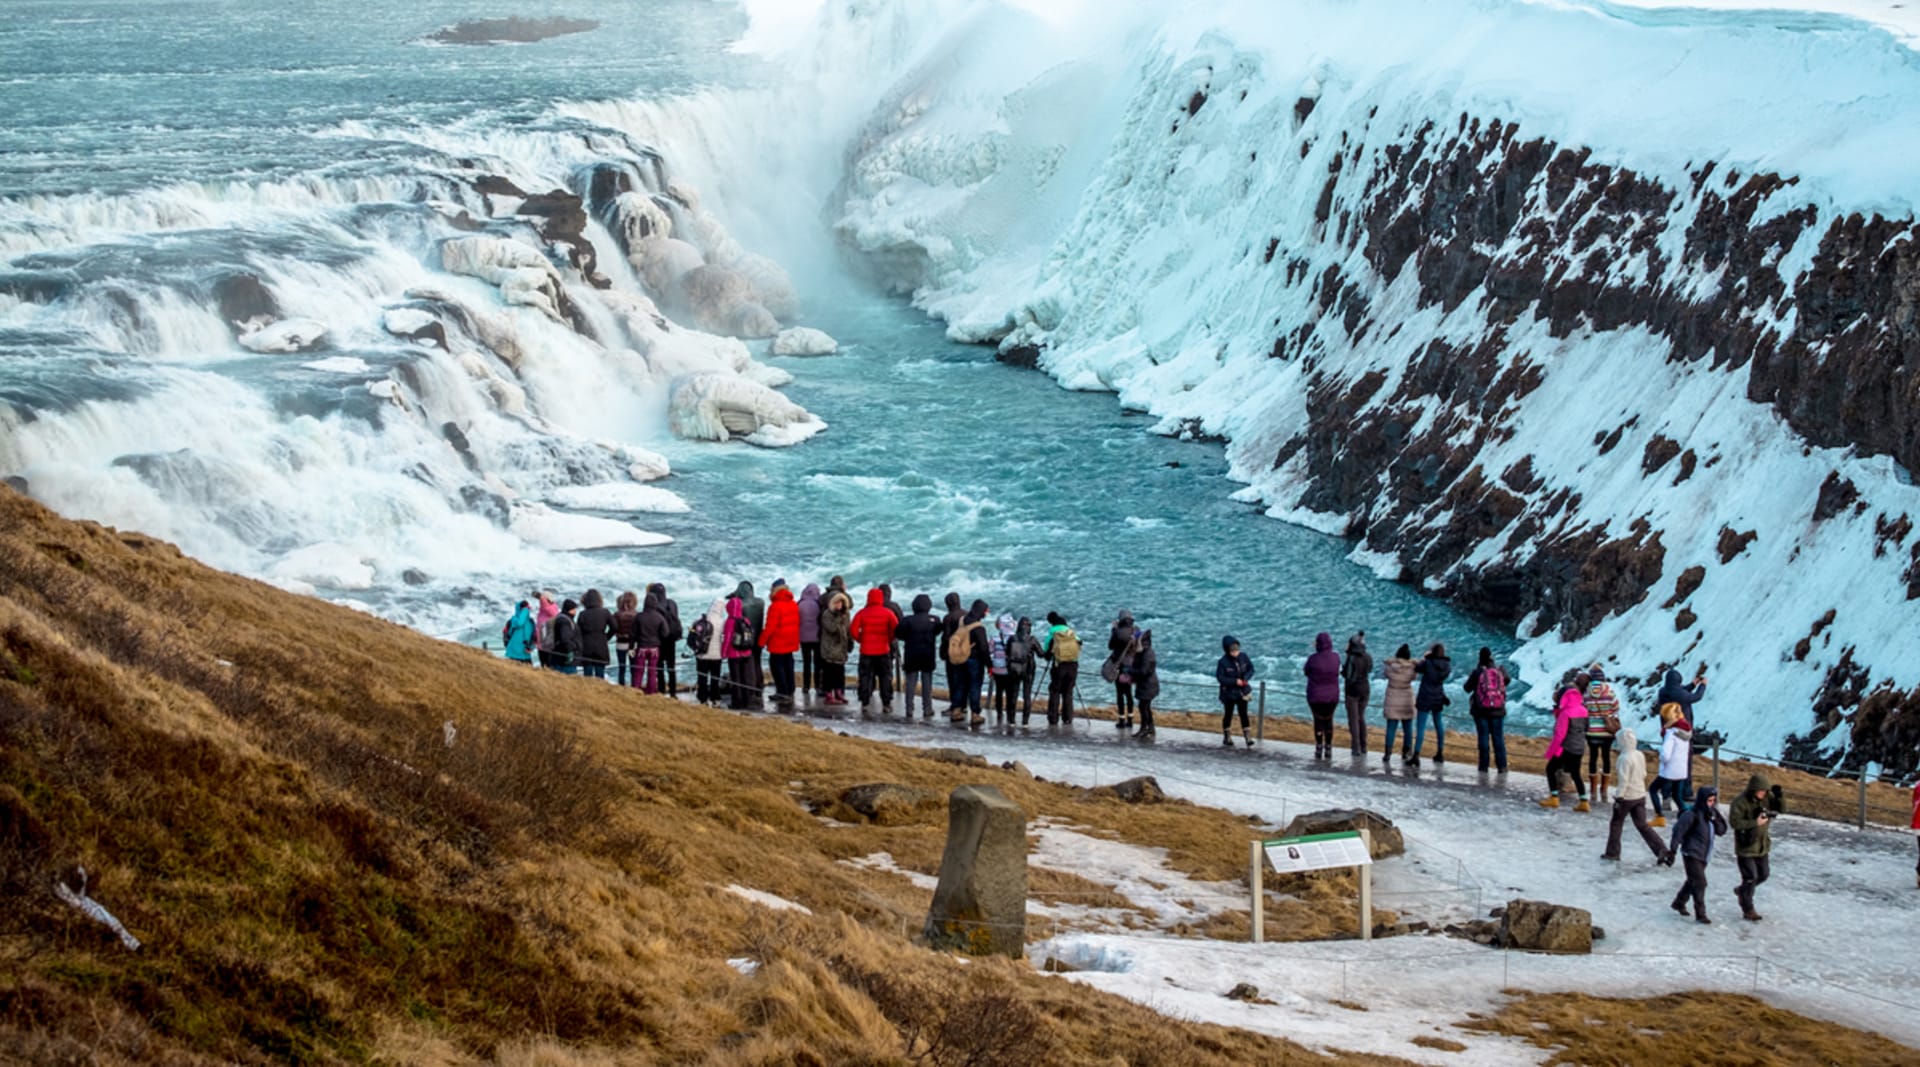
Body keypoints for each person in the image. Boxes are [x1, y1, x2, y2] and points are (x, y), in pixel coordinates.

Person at [1602, 728, 1670, 863]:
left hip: (1626, 797)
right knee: (1642, 825)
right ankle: (1661, 850)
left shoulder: (1624, 758)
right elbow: (1644, 774)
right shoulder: (1639, 754)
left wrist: (1618, 797)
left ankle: (1612, 852)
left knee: (1616, 823)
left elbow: (1624, 780)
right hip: (1640, 795)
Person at [1729, 774, 1786, 921]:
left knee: (1763, 874)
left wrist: (1780, 797)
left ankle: (1742, 891)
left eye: (1765, 791)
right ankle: (1748, 908)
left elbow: (1782, 809)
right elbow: (1735, 823)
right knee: (1750, 877)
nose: (1763, 794)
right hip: (1746, 846)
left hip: (1762, 845)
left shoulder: (1767, 798)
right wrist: (1755, 823)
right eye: (1760, 791)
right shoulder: (1740, 802)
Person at [1667, 786, 1727, 924]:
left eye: (1713, 801)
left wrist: (1715, 819)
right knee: (1700, 883)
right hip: (1691, 853)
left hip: (1704, 854)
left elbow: (1722, 830)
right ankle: (1700, 914)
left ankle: (1679, 902)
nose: (1711, 803)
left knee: (1692, 880)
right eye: (1709, 800)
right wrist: (1672, 850)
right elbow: (1678, 831)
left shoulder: (1712, 813)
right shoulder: (1691, 814)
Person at [1540, 674, 1591, 810]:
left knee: (1550, 769)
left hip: (1566, 748)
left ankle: (1554, 797)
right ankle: (1584, 801)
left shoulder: (1565, 713)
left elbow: (1559, 736)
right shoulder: (1584, 710)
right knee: (1576, 774)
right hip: (1579, 747)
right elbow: (1586, 728)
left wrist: (1551, 752)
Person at [852, 588, 898, 715]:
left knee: (865, 677)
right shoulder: (888, 613)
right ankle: (886, 703)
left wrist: (861, 639)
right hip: (883, 650)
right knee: (885, 677)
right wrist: (888, 639)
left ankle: (865, 703)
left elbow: (853, 630)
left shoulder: (862, 613)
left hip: (866, 650)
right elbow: (896, 629)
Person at [1464, 647, 1510, 774]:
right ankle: (1502, 766)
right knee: (1498, 738)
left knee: (1483, 738)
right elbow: (1507, 680)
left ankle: (1484, 766)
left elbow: (1466, 688)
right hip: (1498, 709)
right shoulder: (1499, 670)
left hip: (1481, 710)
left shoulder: (1478, 672)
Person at [1650, 705, 1694, 827]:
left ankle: (1659, 816)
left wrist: (1661, 756)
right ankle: (1687, 815)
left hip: (1669, 770)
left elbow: (1666, 754)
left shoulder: (1671, 733)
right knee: (1677, 795)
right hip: (1681, 770)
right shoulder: (1686, 733)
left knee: (1653, 789)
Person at [898, 593, 941, 719]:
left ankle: (909, 709)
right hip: (928, 654)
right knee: (927, 683)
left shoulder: (907, 620)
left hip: (911, 655)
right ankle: (927, 708)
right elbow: (938, 631)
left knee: (910, 683)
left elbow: (899, 633)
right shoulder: (935, 619)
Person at [761, 583, 801, 711]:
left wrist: (761, 642)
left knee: (777, 666)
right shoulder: (793, 604)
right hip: (790, 639)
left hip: (778, 641)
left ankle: (782, 692)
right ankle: (790, 689)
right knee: (788, 664)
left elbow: (770, 627)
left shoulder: (775, 606)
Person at [1584, 664, 1621, 802]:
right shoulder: (1610, 693)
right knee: (1606, 758)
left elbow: (1583, 709)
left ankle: (1593, 790)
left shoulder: (1586, 694)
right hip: (1606, 732)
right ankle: (1604, 789)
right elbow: (1616, 708)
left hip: (1591, 731)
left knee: (1593, 758)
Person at [1411, 643, 1452, 767]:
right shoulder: (1447, 666)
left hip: (1425, 696)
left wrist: (1425, 657)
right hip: (1438, 696)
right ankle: (1440, 752)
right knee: (1439, 725)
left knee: (1421, 727)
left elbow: (1417, 668)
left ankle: (1416, 754)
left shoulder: (1427, 663)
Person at [1304, 632, 1342, 760]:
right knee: (1329, 720)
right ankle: (1329, 747)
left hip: (1315, 696)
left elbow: (1306, 671)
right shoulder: (1336, 657)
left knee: (1318, 721)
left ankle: (1319, 746)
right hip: (1332, 696)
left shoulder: (1313, 659)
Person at [1216, 634, 1256, 748]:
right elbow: (1220, 678)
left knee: (1244, 714)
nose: (1235, 653)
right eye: (1233, 651)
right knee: (1228, 714)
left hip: (1242, 691)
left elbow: (1251, 669)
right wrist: (1234, 681)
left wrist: (1245, 679)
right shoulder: (1222, 662)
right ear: (1227, 650)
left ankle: (1248, 737)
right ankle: (1227, 736)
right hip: (1228, 693)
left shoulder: (1244, 657)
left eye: (1237, 650)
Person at [1042, 612, 1081, 726]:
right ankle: (1068, 718)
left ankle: (1053, 718)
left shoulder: (1052, 635)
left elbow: (1047, 654)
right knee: (1068, 692)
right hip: (1073, 666)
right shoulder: (1072, 634)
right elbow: (1080, 643)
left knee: (1055, 691)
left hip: (1058, 666)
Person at [1382, 645, 1416, 765]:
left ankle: (1387, 753)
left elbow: (1385, 673)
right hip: (1407, 697)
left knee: (1391, 727)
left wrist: (1391, 661)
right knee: (1408, 728)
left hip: (1392, 697)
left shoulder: (1390, 667)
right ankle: (1407, 752)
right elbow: (1414, 677)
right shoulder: (1412, 667)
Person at [735, 580, 767, 710]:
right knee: (757, 662)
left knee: (749, 665)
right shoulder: (760, 602)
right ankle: (759, 685)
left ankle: (751, 688)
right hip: (759, 635)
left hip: (746, 638)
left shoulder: (741, 605)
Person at [649, 582, 684, 697]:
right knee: (671, 667)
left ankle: (662, 692)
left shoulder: (654, 606)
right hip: (672, 639)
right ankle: (673, 693)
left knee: (659, 668)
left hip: (659, 640)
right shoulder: (672, 603)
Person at [819, 586, 852, 706]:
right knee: (829, 671)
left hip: (841, 647)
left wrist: (850, 641)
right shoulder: (827, 614)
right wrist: (838, 616)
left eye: (842, 602)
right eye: (837, 602)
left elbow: (848, 629)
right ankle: (828, 694)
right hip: (830, 647)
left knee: (839, 672)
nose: (840, 605)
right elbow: (831, 629)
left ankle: (839, 692)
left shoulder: (846, 614)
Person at [720, 596, 755, 710]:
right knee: (745, 678)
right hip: (746, 653)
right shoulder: (746, 620)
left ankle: (737, 703)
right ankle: (747, 701)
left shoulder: (730, 621)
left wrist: (723, 653)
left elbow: (728, 639)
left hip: (734, 654)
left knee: (736, 680)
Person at [1341, 631, 1373, 755]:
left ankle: (1356, 747)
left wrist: (1343, 671)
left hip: (1352, 690)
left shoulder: (1351, 658)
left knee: (1353, 720)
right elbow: (1369, 669)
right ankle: (1364, 745)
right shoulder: (1367, 656)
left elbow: (1348, 676)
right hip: (1365, 688)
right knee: (1361, 717)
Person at [634, 592, 671, 694]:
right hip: (654, 648)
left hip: (642, 647)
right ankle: (651, 691)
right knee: (652, 672)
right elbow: (666, 633)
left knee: (639, 671)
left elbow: (633, 633)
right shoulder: (659, 617)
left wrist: (632, 646)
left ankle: (636, 691)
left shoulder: (639, 616)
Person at [1005, 617, 1038, 725]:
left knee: (1013, 694)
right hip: (1028, 669)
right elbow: (1042, 653)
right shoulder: (1032, 639)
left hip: (1014, 668)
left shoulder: (1012, 638)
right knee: (1027, 695)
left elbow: (1007, 652)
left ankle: (1011, 720)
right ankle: (1025, 721)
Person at [574, 589, 614, 680]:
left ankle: (588, 693)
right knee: (600, 674)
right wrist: (606, 637)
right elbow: (614, 627)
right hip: (601, 644)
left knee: (587, 675)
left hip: (587, 645)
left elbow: (578, 631)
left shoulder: (582, 614)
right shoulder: (605, 612)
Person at [693, 596, 726, 705]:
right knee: (715, 678)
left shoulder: (701, 619)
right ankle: (715, 697)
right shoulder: (722, 622)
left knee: (702, 678)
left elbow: (694, 632)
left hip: (702, 654)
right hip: (716, 656)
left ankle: (702, 698)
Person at [1108, 610, 1137, 731]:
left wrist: (1114, 630)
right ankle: (1130, 719)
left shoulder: (1118, 632)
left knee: (1120, 693)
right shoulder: (1135, 631)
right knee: (1129, 693)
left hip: (1120, 666)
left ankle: (1121, 719)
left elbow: (1111, 646)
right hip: (1131, 666)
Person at [1657, 666, 1709, 730]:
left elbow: (1676, 690)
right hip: (1682, 728)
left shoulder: (1661, 692)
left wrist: (1692, 685)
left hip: (1667, 726)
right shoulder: (1682, 695)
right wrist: (1703, 685)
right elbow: (1697, 696)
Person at [940, 592, 966, 716]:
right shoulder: (966, 614)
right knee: (964, 679)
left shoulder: (948, 618)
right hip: (966, 651)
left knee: (953, 680)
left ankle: (955, 705)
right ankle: (964, 705)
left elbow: (946, 637)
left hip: (952, 653)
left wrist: (943, 652)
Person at [989, 613, 1017, 726]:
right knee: (1010, 692)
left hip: (997, 668)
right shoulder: (1015, 638)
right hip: (1010, 669)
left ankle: (999, 712)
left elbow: (990, 652)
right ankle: (1010, 714)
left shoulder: (994, 638)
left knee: (999, 691)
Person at [1131, 630, 1159, 739]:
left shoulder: (1147, 654)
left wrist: (1130, 671)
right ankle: (1150, 728)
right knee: (1146, 707)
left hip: (1148, 685)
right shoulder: (1145, 652)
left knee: (1143, 707)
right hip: (1147, 684)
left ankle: (1144, 729)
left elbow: (1144, 671)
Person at [797, 583, 823, 697]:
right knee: (817, 663)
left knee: (806, 663)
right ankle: (817, 686)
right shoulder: (819, 603)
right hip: (817, 637)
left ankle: (806, 686)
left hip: (803, 637)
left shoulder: (800, 604)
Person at [612, 591, 639, 686]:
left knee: (621, 668)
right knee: (633, 668)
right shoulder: (637, 614)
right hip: (633, 645)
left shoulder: (616, 614)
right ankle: (634, 687)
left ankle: (621, 686)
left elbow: (613, 628)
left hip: (620, 644)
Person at [550, 598, 581, 675]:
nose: (575, 611)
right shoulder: (565, 621)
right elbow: (565, 639)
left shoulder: (560, 618)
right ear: (570, 610)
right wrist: (573, 648)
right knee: (569, 682)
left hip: (557, 656)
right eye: (574, 609)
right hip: (565, 659)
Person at [501, 600, 536, 665]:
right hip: (519, 653)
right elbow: (534, 636)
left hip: (521, 653)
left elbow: (535, 636)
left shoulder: (530, 622)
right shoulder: (515, 620)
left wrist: (531, 647)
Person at [534, 591, 559, 668]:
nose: (540, 601)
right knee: (544, 665)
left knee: (548, 666)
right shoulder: (543, 611)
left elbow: (550, 611)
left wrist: (542, 598)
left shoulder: (551, 609)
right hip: (541, 643)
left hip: (548, 644)